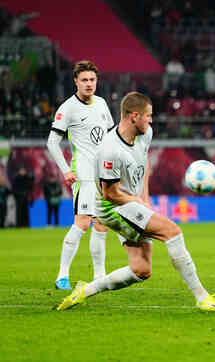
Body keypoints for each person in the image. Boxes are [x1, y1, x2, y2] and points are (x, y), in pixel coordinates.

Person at [56, 92, 215, 311]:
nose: (151, 120)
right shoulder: (109, 150)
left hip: (129, 202)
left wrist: (144, 199)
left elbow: (144, 162)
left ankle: (85, 290)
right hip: (112, 208)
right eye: (148, 115)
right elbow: (110, 194)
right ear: (133, 116)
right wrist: (137, 201)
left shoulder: (145, 134)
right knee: (172, 232)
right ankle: (202, 297)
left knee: (141, 270)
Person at [47, 60, 114, 290]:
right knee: (83, 222)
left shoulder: (102, 104)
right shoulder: (68, 108)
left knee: (102, 223)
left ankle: (99, 276)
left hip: (102, 174)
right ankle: (62, 276)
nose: (89, 84)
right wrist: (65, 170)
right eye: (84, 80)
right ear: (75, 81)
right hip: (83, 173)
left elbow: (109, 137)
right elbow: (52, 142)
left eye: (92, 80)